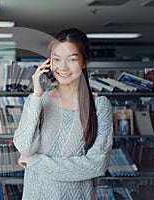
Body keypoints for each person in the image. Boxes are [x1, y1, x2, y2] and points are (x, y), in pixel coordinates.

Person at [13, 28, 113, 200]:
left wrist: (36, 161)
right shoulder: (39, 101)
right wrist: (36, 95)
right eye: (56, 60)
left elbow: (97, 165)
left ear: (84, 62)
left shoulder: (99, 105)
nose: (63, 67)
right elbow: (24, 146)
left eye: (72, 59)